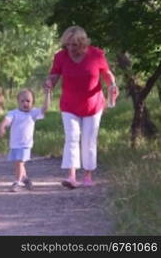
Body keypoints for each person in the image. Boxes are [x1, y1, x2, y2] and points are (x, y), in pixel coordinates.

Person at [44, 26, 119, 189]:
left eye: (75, 45)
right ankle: (71, 176)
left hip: (93, 105)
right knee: (72, 137)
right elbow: (54, 74)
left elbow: (106, 73)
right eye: (68, 45)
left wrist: (112, 85)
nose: (70, 48)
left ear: (83, 43)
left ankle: (87, 175)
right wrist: (49, 82)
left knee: (89, 140)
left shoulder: (96, 54)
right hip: (69, 104)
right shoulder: (61, 56)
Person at [0, 88, 51, 192]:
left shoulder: (33, 113)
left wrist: (48, 94)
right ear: (18, 102)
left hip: (25, 144)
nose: (25, 103)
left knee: (20, 163)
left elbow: (45, 108)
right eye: (22, 101)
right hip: (14, 144)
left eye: (28, 101)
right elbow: (6, 121)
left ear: (33, 102)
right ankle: (25, 179)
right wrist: (2, 126)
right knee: (18, 163)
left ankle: (17, 182)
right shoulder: (14, 113)